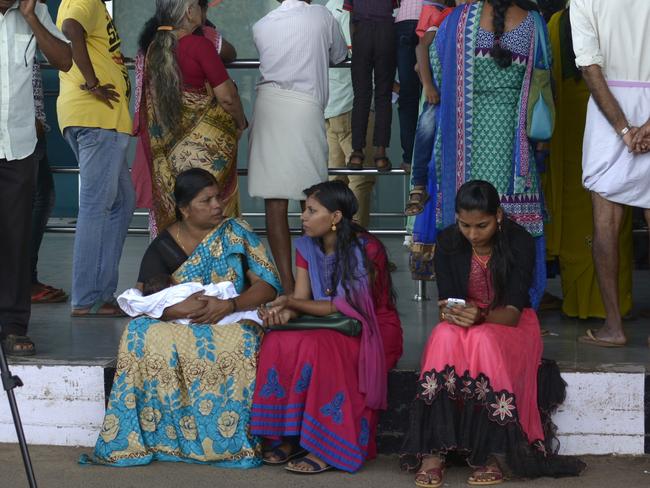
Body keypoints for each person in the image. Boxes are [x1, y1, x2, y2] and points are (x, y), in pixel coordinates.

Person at [81, 168, 282, 467]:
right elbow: (143, 298)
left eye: (218, 197)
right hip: (180, 320)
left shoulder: (236, 234)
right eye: (207, 200)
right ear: (185, 209)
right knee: (139, 332)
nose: (218, 205)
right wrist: (180, 309)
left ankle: (227, 441)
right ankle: (159, 437)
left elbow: (267, 285)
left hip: (231, 316)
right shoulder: (164, 244)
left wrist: (230, 305)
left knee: (242, 338)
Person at [401, 180, 585, 487]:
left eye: (481, 225)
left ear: (498, 215)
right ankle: (434, 451)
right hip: (468, 321)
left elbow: (512, 313)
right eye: (465, 225)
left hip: (511, 323)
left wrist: (480, 314)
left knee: (484, 338)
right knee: (442, 335)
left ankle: (495, 452)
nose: (472, 234)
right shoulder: (447, 241)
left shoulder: (519, 241)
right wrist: (455, 313)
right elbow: (447, 302)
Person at [250, 180, 403, 474]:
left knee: (318, 347)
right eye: (304, 210)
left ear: (335, 217)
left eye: (311, 210)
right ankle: (290, 435)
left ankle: (325, 446)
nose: (303, 217)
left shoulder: (367, 248)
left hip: (371, 328)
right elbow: (302, 299)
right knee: (275, 341)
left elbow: (346, 306)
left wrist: (292, 305)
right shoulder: (306, 246)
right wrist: (280, 312)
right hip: (326, 323)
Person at [411, 0, 550, 308]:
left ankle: (462, 303)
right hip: (512, 146)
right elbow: (544, 83)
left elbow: (434, 67)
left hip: (463, 142)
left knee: (468, 223)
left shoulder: (457, 22)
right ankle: (516, 305)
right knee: (509, 222)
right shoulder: (534, 24)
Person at [248, 0, 348, 293]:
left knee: (275, 201)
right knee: (314, 198)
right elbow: (340, 55)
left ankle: (289, 286)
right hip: (305, 108)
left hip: (268, 107)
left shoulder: (262, 25)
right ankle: (317, 283)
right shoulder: (321, 15)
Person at [541, 6, 633, 320]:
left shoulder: (561, 21)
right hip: (612, 117)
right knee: (614, 215)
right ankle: (612, 307)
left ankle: (588, 307)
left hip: (582, 127)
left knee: (591, 217)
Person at [570, 0, 650, 347]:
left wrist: (623, 129)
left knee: (605, 223)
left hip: (609, 109)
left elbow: (588, 66)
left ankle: (614, 327)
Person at [134, 0, 247, 237]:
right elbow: (227, 97)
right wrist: (239, 122)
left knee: (183, 204)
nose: (203, 11)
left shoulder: (153, 49)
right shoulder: (199, 46)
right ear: (189, 11)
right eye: (199, 6)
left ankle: (179, 260)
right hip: (204, 155)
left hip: (168, 157)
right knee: (210, 203)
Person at [0, 0, 71, 355]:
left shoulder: (35, 12)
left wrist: (30, 17)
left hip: (18, 145)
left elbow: (64, 60)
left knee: (16, 239)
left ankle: (13, 326)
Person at [57, 0, 135, 317]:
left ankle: (101, 292)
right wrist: (93, 83)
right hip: (96, 120)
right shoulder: (83, 0)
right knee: (96, 206)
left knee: (123, 201)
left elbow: (86, 38)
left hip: (101, 121)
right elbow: (71, 29)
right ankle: (88, 297)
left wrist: (114, 65)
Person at [404, 0, 459, 216]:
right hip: (440, 92)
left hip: (464, 93)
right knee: (427, 125)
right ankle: (418, 185)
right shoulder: (444, 16)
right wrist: (428, 85)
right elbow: (421, 49)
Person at [324, 0, 376, 228]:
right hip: (351, 103)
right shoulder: (349, 10)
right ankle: (358, 247)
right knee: (359, 180)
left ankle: (336, 244)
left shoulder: (328, 7)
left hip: (333, 104)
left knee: (336, 181)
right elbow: (355, 53)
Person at [31, 49, 68, 304]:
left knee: (41, 198)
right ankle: (22, 280)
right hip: (19, 130)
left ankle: (25, 278)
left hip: (31, 127)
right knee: (36, 200)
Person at [344, 0, 397, 171]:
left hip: (362, 32)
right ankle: (380, 154)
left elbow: (351, 17)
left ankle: (357, 153)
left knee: (361, 95)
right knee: (383, 95)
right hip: (387, 32)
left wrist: (357, 44)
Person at [395, 0, 423, 172]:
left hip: (404, 21)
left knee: (408, 96)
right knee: (433, 94)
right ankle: (433, 157)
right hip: (434, 19)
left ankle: (409, 159)